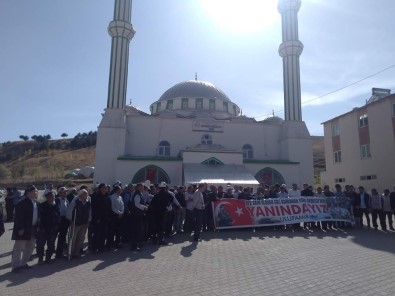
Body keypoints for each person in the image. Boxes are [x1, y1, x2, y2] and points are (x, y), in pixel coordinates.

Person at [11, 185, 39, 273]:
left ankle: (23, 263)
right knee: (19, 248)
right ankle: (15, 266)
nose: (36, 193)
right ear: (29, 193)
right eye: (35, 191)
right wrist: (20, 228)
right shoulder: (22, 203)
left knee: (30, 247)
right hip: (23, 229)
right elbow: (18, 217)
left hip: (33, 228)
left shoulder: (36, 203)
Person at [66, 189, 91, 258]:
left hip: (84, 222)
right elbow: (70, 209)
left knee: (81, 238)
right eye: (85, 194)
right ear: (81, 195)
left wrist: (89, 220)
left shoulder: (89, 200)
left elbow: (90, 211)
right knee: (73, 238)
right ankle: (70, 252)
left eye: (87, 194)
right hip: (76, 222)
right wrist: (70, 219)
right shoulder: (76, 200)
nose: (87, 195)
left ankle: (76, 253)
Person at [36, 190, 60, 264]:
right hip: (43, 230)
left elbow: (58, 217)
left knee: (51, 245)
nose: (52, 198)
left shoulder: (56, 206)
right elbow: (39, 218)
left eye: (53, 196)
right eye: (50, 196)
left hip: (52, 230)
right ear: (47, 197)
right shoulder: (42, 205)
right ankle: (40, 259)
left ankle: (48, 258)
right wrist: (41, 228)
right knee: (40, 245)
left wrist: (57, 226)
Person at [90, 183, 111, 253]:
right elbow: (94, 208)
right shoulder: (96, 196)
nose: (106, 189)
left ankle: (101, 247)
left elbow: (109, 207)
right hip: (98, 219)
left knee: (104, 233)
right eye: (105, 187)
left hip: (105, 218)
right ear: (101, 188)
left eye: (106, 188)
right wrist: (96, 218)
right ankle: (94, 248)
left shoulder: (107, 196)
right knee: (97, 234)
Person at [129, 183, 148, 251]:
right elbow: (137, 204)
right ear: (139, 187)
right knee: (136, 230)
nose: (143, 188)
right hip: (136, 215)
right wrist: (144, 207)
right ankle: (134, 246)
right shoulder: (137, 194)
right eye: (142, 187)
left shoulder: (139, 193)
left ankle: (136, 245)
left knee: (138, 230)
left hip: (137, 214)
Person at [55, 187, 69, 258]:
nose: (64, 193)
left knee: (62, 237)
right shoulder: (56, 200)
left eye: (65, 192)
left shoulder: (66, 200)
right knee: (53, 237)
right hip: (58, 220)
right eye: (63, 192)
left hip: (65, 220)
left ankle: (59, 253)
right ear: (59, 193)